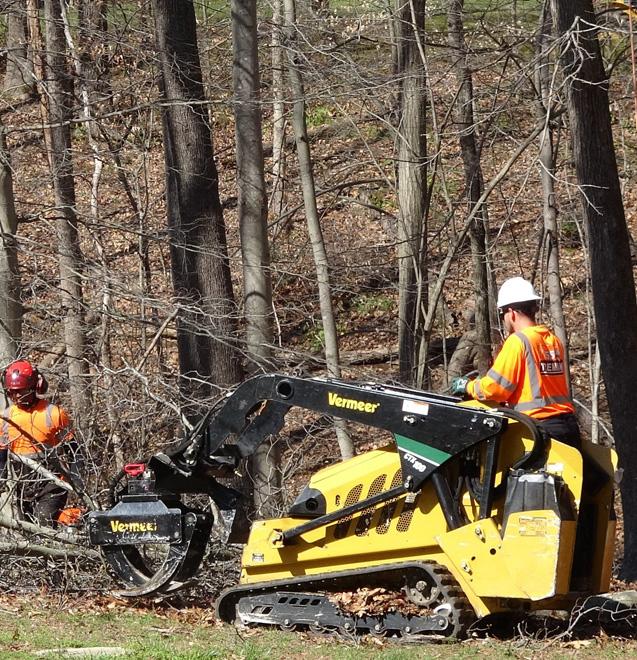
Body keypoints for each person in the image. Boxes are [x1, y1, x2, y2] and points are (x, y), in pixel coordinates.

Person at [450, 276, 581, 448]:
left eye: (503, 313)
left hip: (539, 431)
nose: (504, 318)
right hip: (568, 428)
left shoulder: (518, 342)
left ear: (511, 313)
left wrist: (467, 386)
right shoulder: (552, 340)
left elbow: (496, 388)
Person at [0, 359, 84, 526]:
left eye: (20, 391)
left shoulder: (54, 414)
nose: (16, 396)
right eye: (12, 392)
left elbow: (75, 450)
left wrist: (75, 477)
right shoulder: (5, 418)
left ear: (34, 387)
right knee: (26, 525)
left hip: (51, 480)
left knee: (44, 520)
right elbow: (1, 455)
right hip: (22, 482)